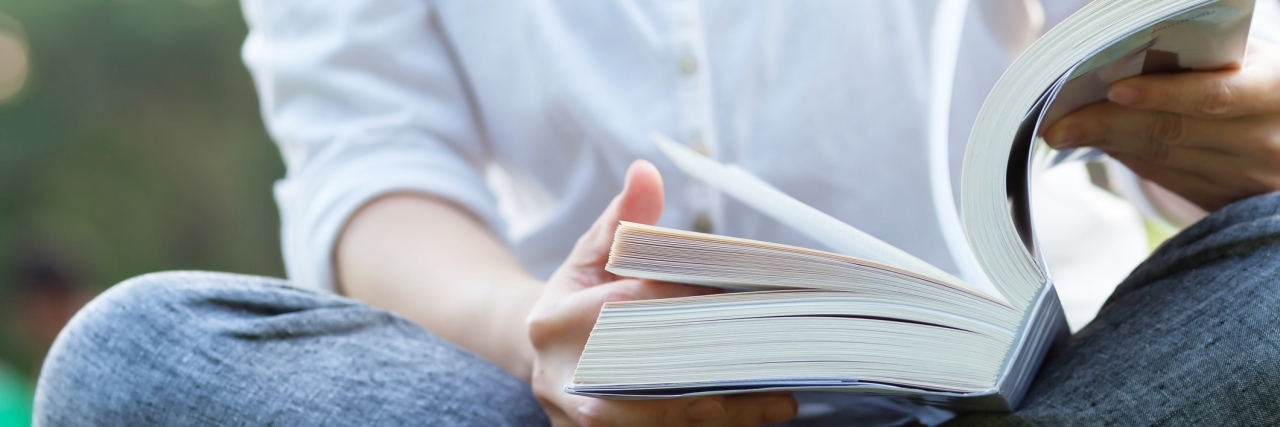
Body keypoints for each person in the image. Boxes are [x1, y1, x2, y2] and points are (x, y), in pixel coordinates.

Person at [32, 1, 1280, 426]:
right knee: (139, 357)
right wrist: (540, 335)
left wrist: (1216, 136)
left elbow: (1135, 72)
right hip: (577, 411)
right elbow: (372, 167)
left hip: (1048, 389)